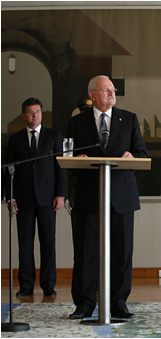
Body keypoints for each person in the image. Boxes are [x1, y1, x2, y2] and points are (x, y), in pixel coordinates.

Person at [66, 75, 148, 319]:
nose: (112, 94)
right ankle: (84, 305)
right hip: (89, 196)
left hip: (121, 196)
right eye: (106, 91)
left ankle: (118, 303)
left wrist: (131, 158)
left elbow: (140, 153)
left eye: (113, 90)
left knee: (122, 253)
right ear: (92, 95)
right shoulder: (77, 122)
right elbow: (66, 154)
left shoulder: (129, 119)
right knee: (85, 253)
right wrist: (74, 160)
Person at [5, 97, 67, 298]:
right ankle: (26, 285)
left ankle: (49, 285)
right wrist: (9, 197)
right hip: (23, 199)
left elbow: (61, 168)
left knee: (48, 243)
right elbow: (8, 170)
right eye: (31, 112)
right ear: (24, 115)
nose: (35, 116)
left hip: (48, 198)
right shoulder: (14, 139)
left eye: (38, 112)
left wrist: (61, 194)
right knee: (25, 243)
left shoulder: (53, 136)